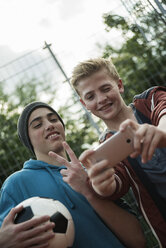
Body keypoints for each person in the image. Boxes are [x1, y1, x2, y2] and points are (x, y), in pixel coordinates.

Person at [0, 101, 145, 248]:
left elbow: (137, 240)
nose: (49, 125)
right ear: (28, 140)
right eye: (37, 125)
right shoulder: (16, 184)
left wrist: (88, 190)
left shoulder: (92, 171)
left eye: (54, 119)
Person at [70, 57, 166, 247]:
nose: (101, 99)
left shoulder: (150, 100)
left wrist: (160, 133)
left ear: (119, 85)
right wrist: (103, 186)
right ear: (84, 104)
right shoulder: (105, 149)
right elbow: (116, 182)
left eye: (105, 89)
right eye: (90, 96)